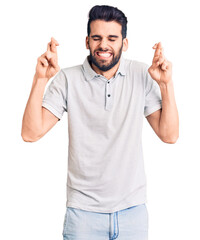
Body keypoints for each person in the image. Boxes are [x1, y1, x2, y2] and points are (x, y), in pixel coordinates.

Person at [21, 5, 179, 240]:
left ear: (124, 43)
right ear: (87, 41)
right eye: (97, 38)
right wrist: (40, 79)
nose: (103, 45)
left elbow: (169, 135)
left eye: (112, 38)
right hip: (83, 215)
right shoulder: (68, 78)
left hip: (132, 213)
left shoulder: (141, 74)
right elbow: (30, 133)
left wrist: (166, 84)